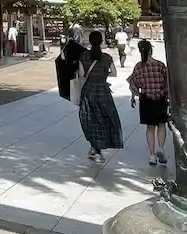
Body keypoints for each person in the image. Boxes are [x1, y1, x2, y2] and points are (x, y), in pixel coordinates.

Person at [78, 31, 124, 161]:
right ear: (101, 41)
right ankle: (97, 148)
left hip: (89, 91)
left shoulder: (83, 56)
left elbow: (81, 75)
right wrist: (103, 75)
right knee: (104, 118)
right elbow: (114, 73)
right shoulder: (107, 57)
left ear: (90, 41)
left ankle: (95, 148)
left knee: (89, 119)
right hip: (103, 91)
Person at [128, 38, 169, 167]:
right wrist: (165, 93)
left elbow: (133, 83)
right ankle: (160, 148)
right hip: (160, 99)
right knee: (161, 124)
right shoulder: (160, 65)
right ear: (151, 50)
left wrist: (135, 95)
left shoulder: (139, 67)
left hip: (146, 99)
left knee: (150, 127)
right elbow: (167, 82)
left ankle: (152, 155)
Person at [55, 23, 87, 101]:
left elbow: (60, 61)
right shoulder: (81, 50)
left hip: (67, 81)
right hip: (79, 80)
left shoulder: (66, 47)